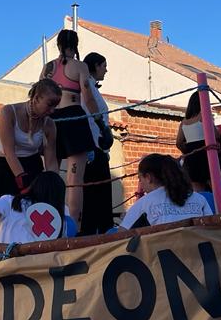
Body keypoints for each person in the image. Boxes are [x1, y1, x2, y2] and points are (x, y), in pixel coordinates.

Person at [41, 29, 99, 227]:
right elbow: (88, 97)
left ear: (58, 44)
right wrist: (100, 123)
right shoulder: (79, 66)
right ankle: (74, 225)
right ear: (75, 45)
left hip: (50, 120)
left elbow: (37, 96)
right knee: (75, 179)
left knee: (51, 174)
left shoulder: (48, 67)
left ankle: (50, 224)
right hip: (74, 117)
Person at [0, 79, 60, 199]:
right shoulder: (8, 112)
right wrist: (22, 180)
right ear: (37, 98)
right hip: (6, 166)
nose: (52, 110)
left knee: (35, 210)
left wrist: (53, 181)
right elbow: (9, 152)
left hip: (33, 165)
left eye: (55, 106)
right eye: (50, 105)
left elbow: (51, 159)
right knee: (6, 212)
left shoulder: (49, 124)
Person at [120, 154, 211, 229]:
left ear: (148, 177)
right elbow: (213, 229)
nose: (140, 183)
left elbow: (119, 238)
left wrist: (127, 219)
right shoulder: (200, 199)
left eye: (140, 178)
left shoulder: (144, 203)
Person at [80, 52, 115, 235]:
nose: (106, 70)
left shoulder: (93, 88)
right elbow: (90, 111)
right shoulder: (87, 89)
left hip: (100, 147)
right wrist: (104, 129)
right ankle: (97, 234)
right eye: (104, 65)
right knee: (96, 196)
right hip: (94, 146)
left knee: (101, 195)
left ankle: (102, 231)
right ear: (95, 66)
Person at [176, 91, 221, 192]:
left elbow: (179, 143)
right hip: (206, 153)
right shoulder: (204, 115)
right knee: (216, 188)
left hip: (191, 157)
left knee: (197, 190)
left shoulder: (184, 121)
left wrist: (188, 152)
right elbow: (215, 135)